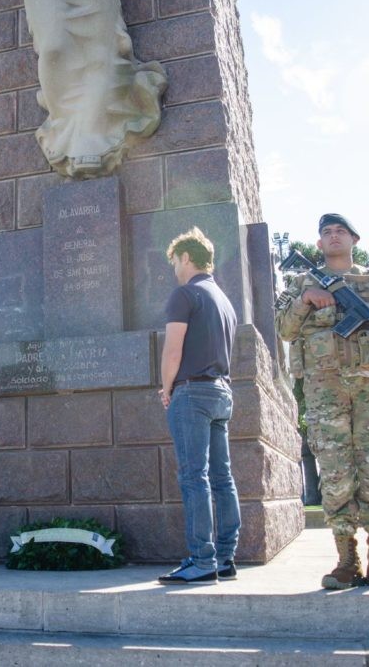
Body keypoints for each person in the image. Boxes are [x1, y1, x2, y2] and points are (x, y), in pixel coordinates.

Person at [276, 214, 369, 590]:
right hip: (326, 392)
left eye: (340, 231)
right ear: (319, 244)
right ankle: (345, 560)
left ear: (354, 239)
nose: (333, 236)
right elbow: (284, 329)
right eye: (326, 233)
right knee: (336, 472)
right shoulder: (301, 282)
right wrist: (306, 300)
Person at [156, 227, 240, 585]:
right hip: (222, 392)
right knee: (222, 478)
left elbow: (173, 348)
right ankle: (225, 558)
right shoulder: (223, 299)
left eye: (175, 260)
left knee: (194, 477)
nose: (174, 267)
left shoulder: (185, 294)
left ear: (186, 258)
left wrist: (166, 387)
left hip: (192, 393)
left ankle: (201, 560)